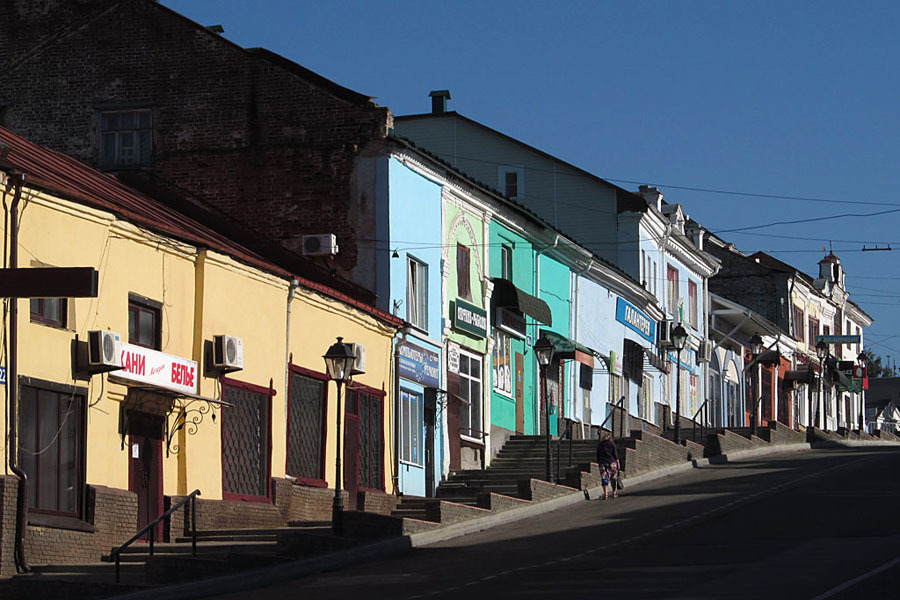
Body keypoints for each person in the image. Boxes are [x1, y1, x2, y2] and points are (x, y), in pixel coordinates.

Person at [596, 432, 621, 500]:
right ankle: (614, 492)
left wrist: (599, 462)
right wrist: (618, 462)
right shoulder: (612, 443)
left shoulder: (600, 445)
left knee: (604, 478)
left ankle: (606, 494)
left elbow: (598, 455)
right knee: (613, 477)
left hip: (603, 463)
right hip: (612, 463)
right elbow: (615, 454)